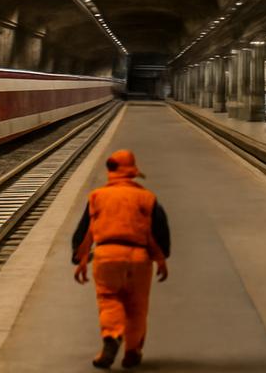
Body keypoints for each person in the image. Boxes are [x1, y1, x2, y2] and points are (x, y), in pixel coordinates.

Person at [72, 149, 170, 369]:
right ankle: (132, 350)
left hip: (107, 256)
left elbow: (85, 231)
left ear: (110, 170)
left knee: (109, 299)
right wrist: (162, 258)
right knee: (137, 306)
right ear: (133, 171)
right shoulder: (147, 197)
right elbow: (159, 230)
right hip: (139, 258)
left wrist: (79, 260)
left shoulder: (97, 196)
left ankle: (112, 334)